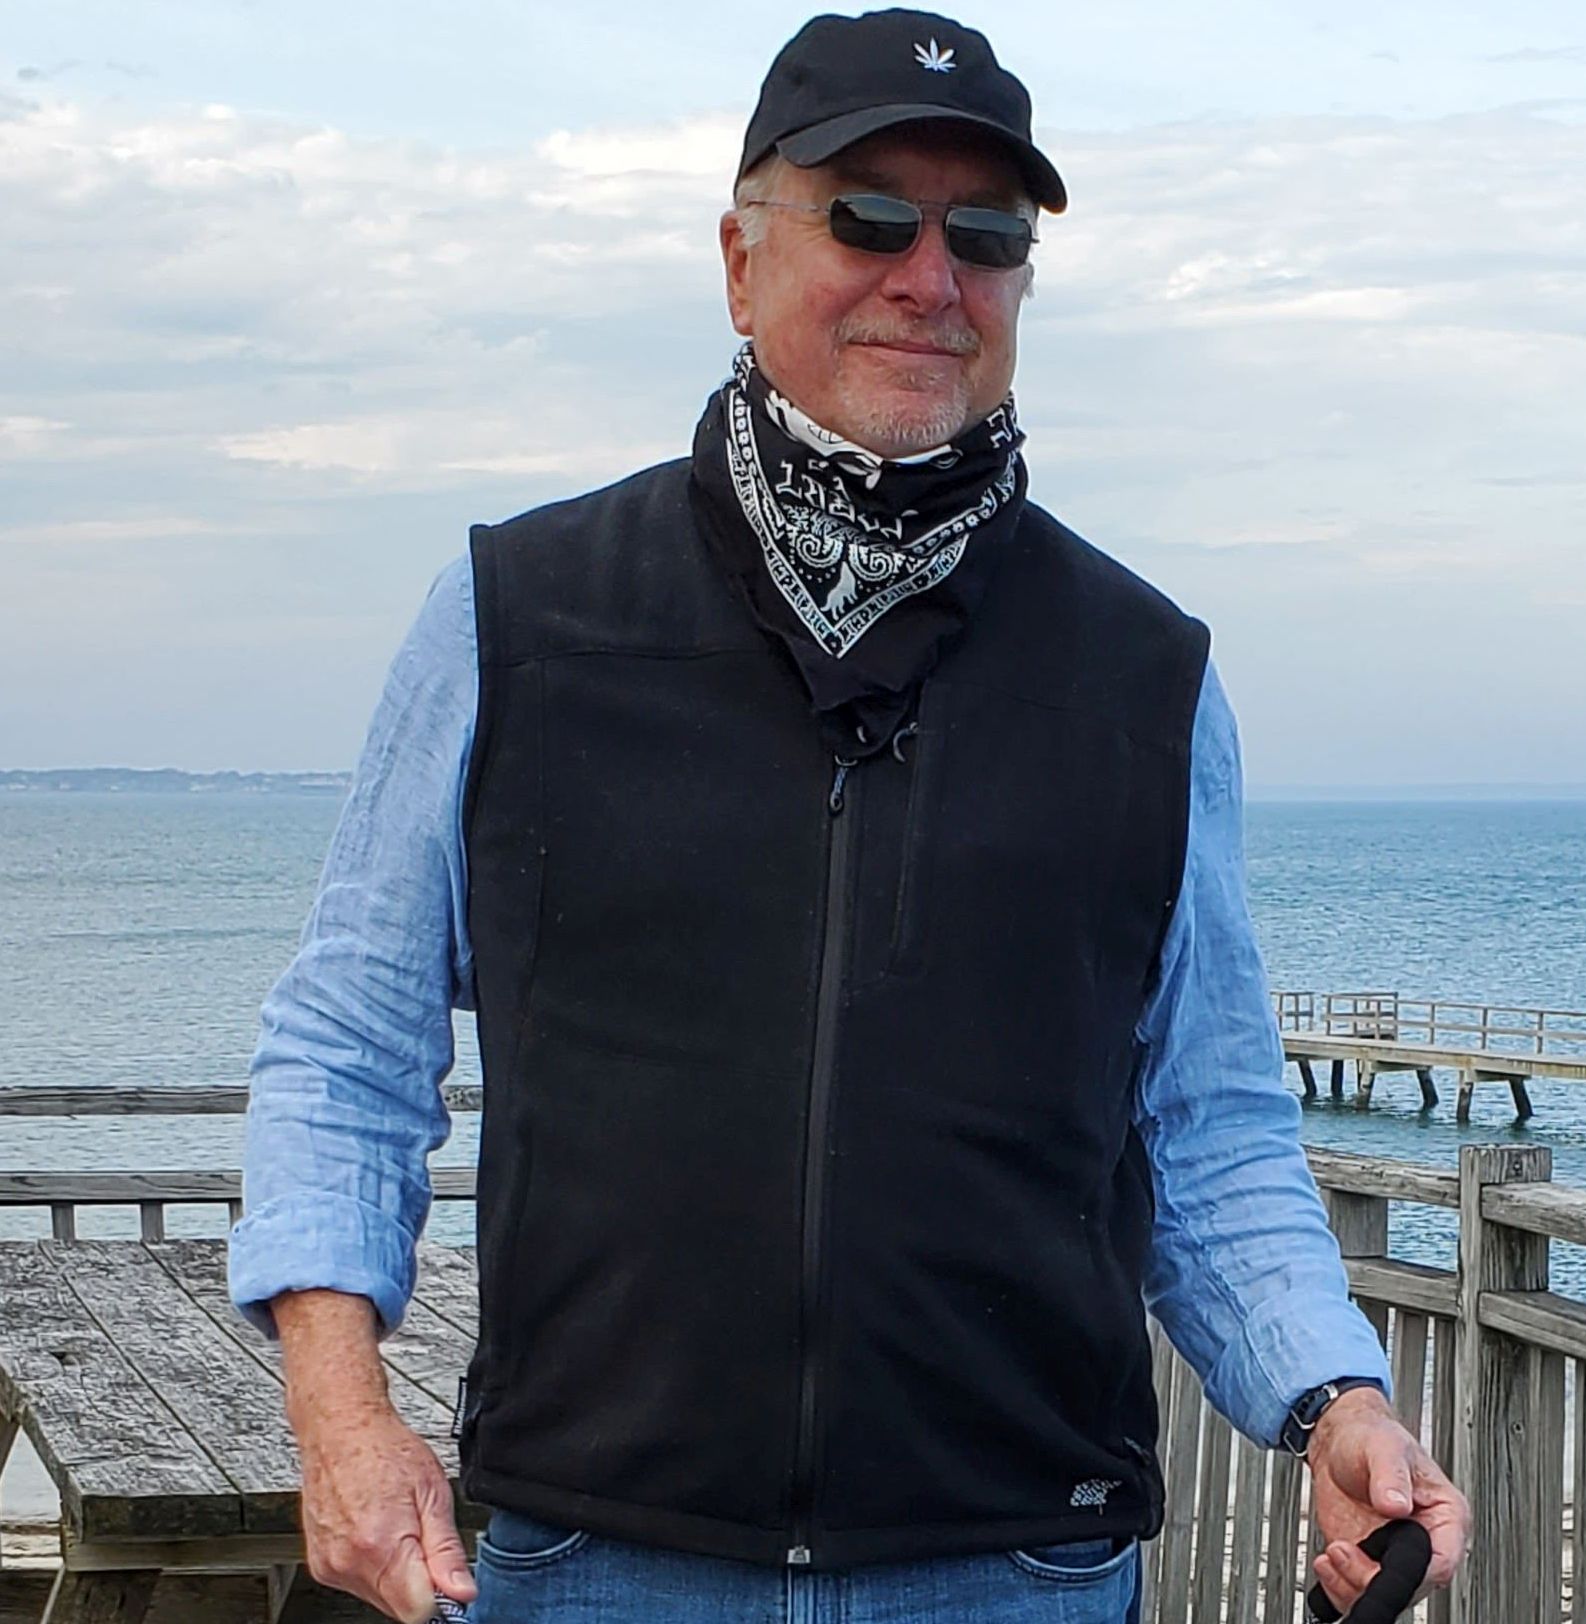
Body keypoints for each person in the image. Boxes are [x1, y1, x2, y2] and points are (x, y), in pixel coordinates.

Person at [228, 11, 1471, 1623]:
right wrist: (341, 1415)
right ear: (741, 265)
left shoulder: (1146, 676)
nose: (928, 275)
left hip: (1020, 1562)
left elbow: (1208, 1125)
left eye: (988, 235)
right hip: (589, 1557)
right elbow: (347, 1046)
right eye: (868, 215)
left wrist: (1333, 1401)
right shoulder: (512, 620)